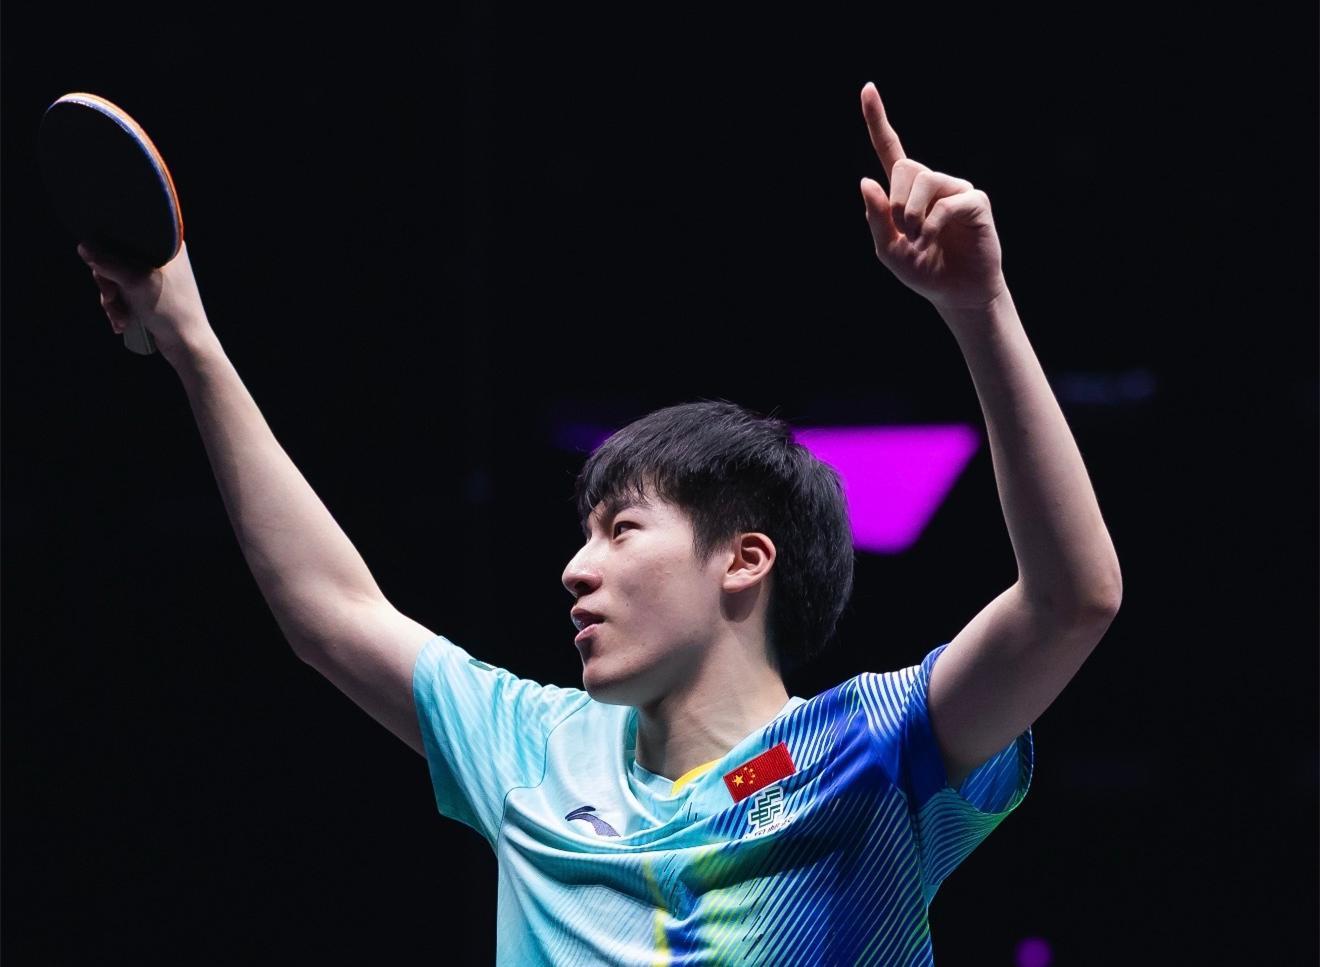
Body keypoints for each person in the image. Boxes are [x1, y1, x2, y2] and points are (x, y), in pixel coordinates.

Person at [77, 82, 1122, 964]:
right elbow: (329, 608)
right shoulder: (536, 753)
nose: (577, 569)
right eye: (584, 535)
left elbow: (1073, 600)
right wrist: (193, 343)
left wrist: (979, 308)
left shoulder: (874, 748)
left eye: (622, 530)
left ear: (744, 560)